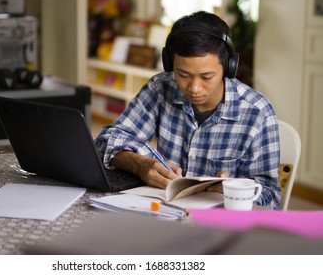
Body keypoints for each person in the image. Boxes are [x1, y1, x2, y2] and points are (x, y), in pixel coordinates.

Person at [94, 11, 281, 209]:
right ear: (169, 63)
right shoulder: (161, 88)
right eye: (182, 74)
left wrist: (233, 190)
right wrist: (139, 164)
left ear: (228, 67)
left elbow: (270, 197)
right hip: (163, 212)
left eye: (207, 76)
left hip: (217, 224)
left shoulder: (259, 113)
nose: (194, 88)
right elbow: (106, 141)